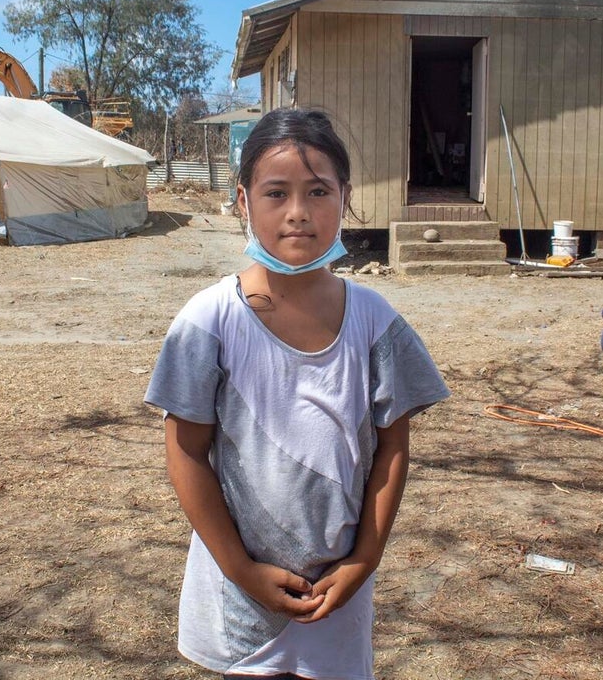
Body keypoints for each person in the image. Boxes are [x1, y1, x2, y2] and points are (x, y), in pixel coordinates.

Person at [145, 107, 450, 679]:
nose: (297, 213)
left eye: (317, 191)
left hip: (338, 591)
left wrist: (364, 558)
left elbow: (393, 448)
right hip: (236, 597)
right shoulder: (208, 321)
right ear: (242, 201)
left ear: (345, 195)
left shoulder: (373, 322)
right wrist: (240, 568)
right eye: (275, 193)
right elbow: (186, 451)